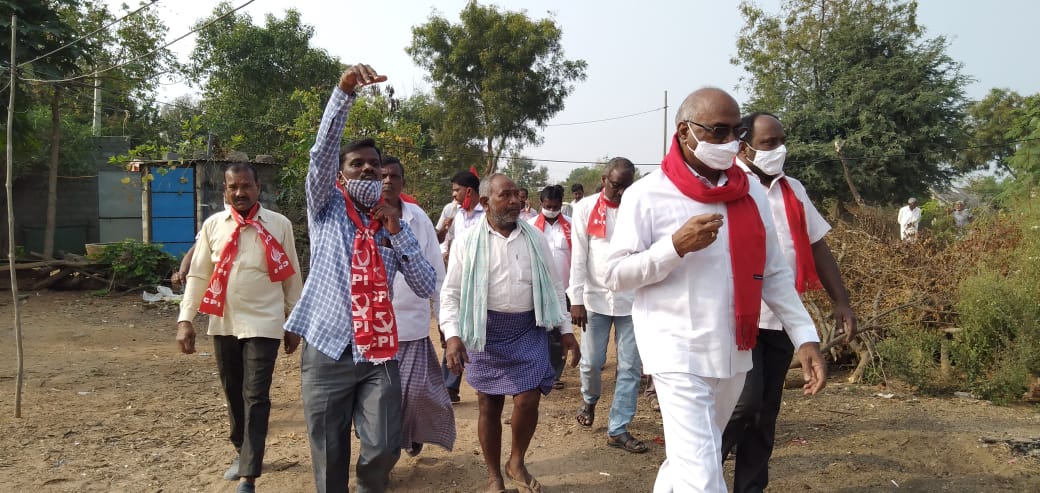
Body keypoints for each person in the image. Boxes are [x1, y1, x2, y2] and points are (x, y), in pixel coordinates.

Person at [604, 88, 827, 493]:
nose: (730, 144)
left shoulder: (750, 193)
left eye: (736, 132)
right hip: (676, 351)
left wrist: (805, 336)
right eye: (718, 131)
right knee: (703, 475)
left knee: (689, 460)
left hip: (733, 352)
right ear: (684, 131)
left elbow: (773, 272)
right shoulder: (647, 194)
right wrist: (674, 247)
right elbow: (615, 274)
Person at [284, 65, 437, 493]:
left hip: (378, 352)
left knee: (385, 445)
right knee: (329, 451)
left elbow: (426, 286)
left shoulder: (395, 224)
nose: (368, 170)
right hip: (327, 347)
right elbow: (320, 154)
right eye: (358, 164)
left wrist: (399, 235)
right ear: (341, 173)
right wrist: (344, 93)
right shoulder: (325, 208)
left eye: (375, 165)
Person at [727, 112, 857, 492]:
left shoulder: (793, 190)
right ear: (744, 146)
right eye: (769, 144)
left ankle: (750, 488)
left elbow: (818, 246)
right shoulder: (730, 185)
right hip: (739, 318)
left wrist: (842, 301)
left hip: (783, 318)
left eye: (782, 141)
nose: (778, 150)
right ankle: (692, 475)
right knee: (743, 405)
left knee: (765, 414)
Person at [440, 173, 581, 493]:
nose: (516, 200)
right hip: (484, 331)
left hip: (527, 329)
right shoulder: (467, 242)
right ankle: (494, 476)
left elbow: (556, 288)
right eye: (507, 196)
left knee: (529, 398)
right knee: (488, 404)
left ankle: (516, 461)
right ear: (486, 202)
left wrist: (566, 330)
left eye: (518, 195)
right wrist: (452, 336)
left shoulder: (536, 238)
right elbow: (451, 294)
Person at [176, 163, 304, 493]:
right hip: (223, 323)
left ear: (258, 188)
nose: (240, 192)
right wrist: (185, 319)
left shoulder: (279, 225)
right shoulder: (213, 226)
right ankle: (242, 449)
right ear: (225, 192)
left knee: (256, 395)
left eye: (246, 186)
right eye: (233, 187)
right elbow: (199, 275)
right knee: (233, 392)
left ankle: (249, 474)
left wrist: (295, 322)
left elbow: (291, 276)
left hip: (265, 322)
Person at [568, 157, 646, 453]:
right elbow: (579, 257)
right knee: (590, 363)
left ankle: (618, 428)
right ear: (604, 179)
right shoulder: (585, 209)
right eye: (616, 185)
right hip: (595, 301)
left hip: (633, 301)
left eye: (628, 186)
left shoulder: (638, 208)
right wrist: (576, 300)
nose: (622, 193)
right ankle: (589, 399)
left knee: (630, 367)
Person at [380, 156, 456, 458]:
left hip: (410, 324)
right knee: (378, 397)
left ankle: (408, 437)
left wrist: (444, 321)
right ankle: (385, 450)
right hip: (370, 328)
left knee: (411, 394)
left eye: (393, 176)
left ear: (402, 182)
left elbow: (436, 273)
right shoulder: (358, 217)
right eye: (381, 176)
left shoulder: (418, 219)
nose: (387, 181)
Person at [436, 170, 484, 403]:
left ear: (469, 191)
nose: (453, 195)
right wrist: (444, 254)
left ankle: (484, 382)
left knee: (481, 329)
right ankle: (449, 385)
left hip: (482, 279)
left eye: (456, 190)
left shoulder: (487, 213)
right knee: (453, 329)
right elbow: (445, 240)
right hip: (457, 277)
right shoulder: (452, 211)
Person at [528, 184, 572, 389]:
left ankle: (554, 374)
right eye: (548, 206)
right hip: (537, 288)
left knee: (558, 332)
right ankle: (538, 369)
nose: (552, 209)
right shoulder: (529, 227)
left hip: (564, 288)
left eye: (556, 206)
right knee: (538, 330)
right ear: (541, 203)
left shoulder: (572, 226)